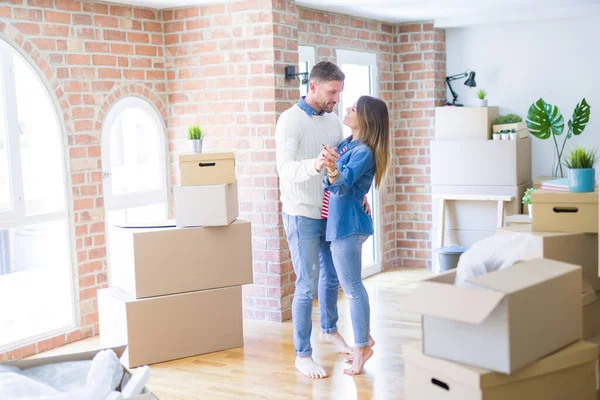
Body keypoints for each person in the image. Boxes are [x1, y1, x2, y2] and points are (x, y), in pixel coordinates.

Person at [275, 61, 352, 379]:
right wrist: (316, 163)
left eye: (339, 92)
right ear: (313, 87)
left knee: (332, 277)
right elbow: (286, 169)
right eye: (332, 92)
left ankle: (329, 330)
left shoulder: (333, 122)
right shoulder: (289, 121)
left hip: (328, 210)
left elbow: (338, 165)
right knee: (306, 285)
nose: (336, 98)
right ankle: (302, 355)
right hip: (300, 212)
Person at [321, 95, 390, 375]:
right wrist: (331, 167)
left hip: (348, 226)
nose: (347, 111)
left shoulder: (363, 152)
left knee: (352, 288)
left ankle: (362, 348)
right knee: (350, 287)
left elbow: (341, 185)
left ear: (366, 119)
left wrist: (332, 168)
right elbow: (333, 179)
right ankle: (365, 340)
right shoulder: (348, 144)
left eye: (353, 109)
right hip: (341, 223)